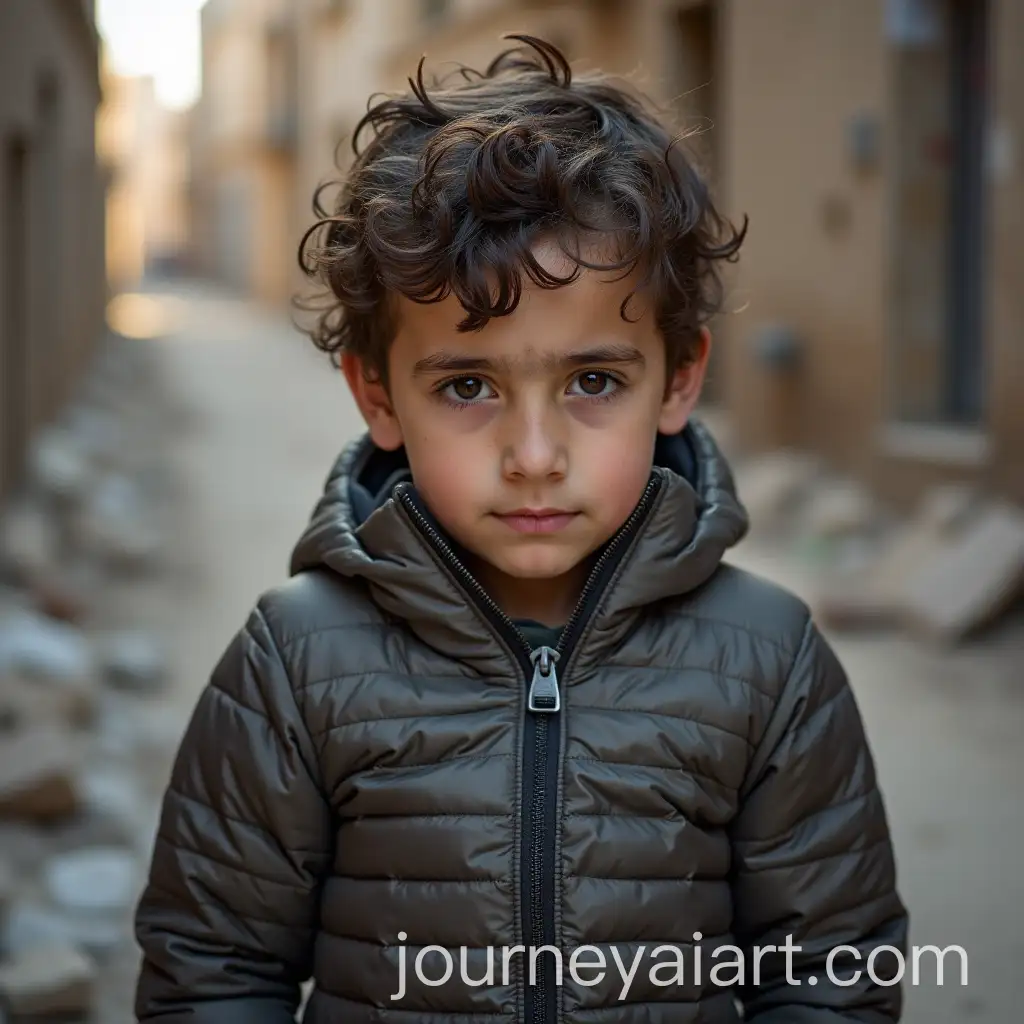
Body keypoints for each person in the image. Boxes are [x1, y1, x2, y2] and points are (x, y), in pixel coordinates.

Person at [133, 35, 908, 1024]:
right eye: (467, 385)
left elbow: (831, 975)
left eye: (593, 381)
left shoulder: (768, 664)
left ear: (676, 378)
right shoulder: (293, 665)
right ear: (376, 393)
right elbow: (212, 970)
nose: (534, 453)